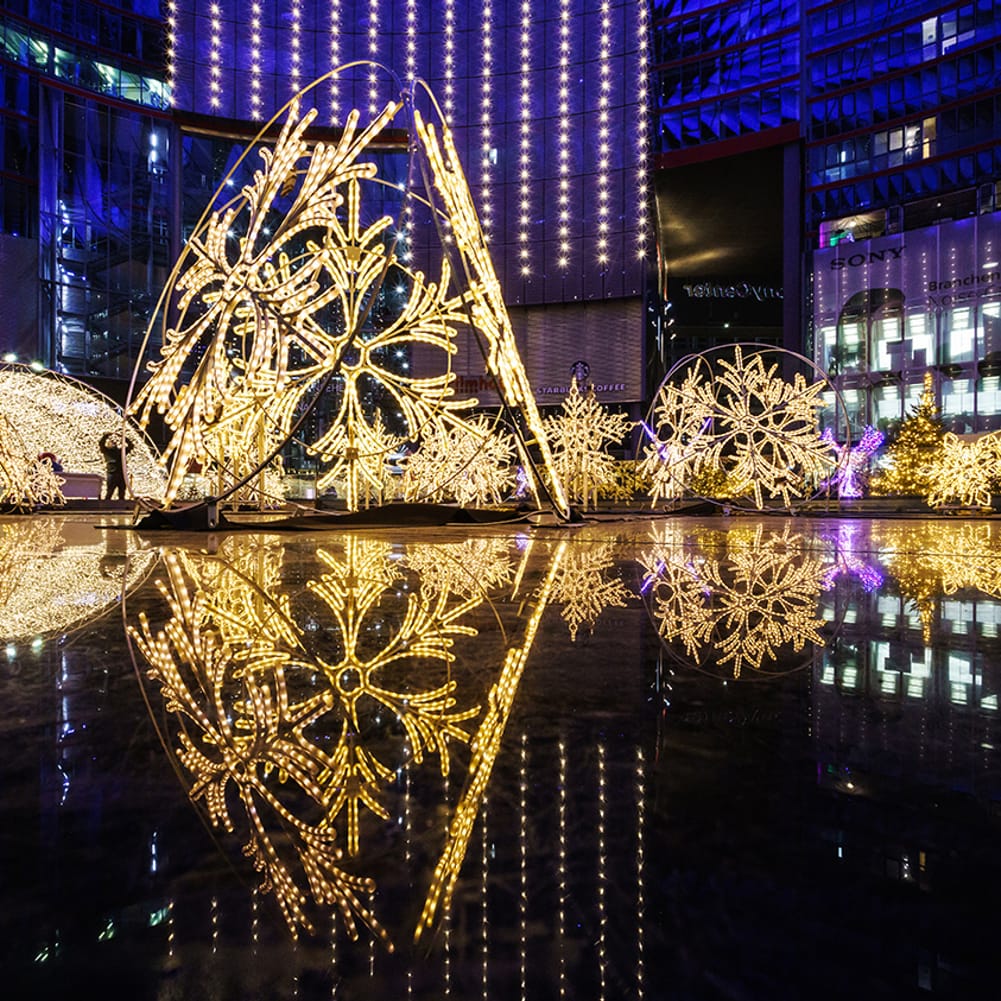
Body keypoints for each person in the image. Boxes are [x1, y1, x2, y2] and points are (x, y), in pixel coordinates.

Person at [99, 431, 133, 500]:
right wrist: (106, 436)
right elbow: (101, 444)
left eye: (114, 442)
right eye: (111, 442)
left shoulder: (121, 452)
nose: (113, 443)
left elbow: (131, 446)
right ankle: (107, 504)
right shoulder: (107, 451)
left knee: (121, 493)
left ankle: (121, 504)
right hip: (112, 473)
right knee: (110, 492)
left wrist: (124, 438)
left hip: (121, 474)